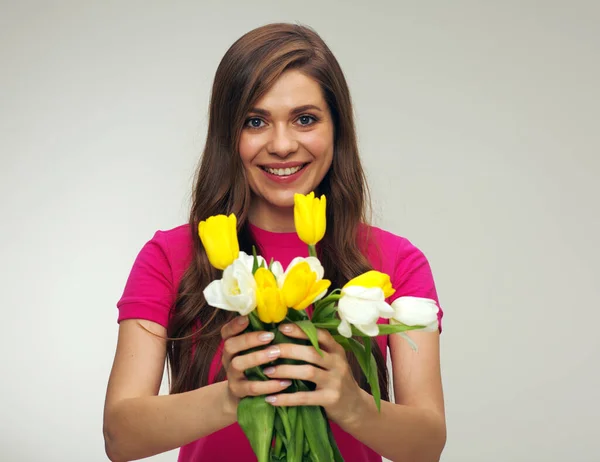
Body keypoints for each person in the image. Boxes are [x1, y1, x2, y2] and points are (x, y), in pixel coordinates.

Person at [103, 22, 446, 462]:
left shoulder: (397, 262)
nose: (282, 145)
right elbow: (121, 436)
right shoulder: (170, 257)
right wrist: (232, 396)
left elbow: (427, 445)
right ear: (229, 136)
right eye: (255, 121)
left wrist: (351, 403)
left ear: (336, 130)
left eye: (305, 119)